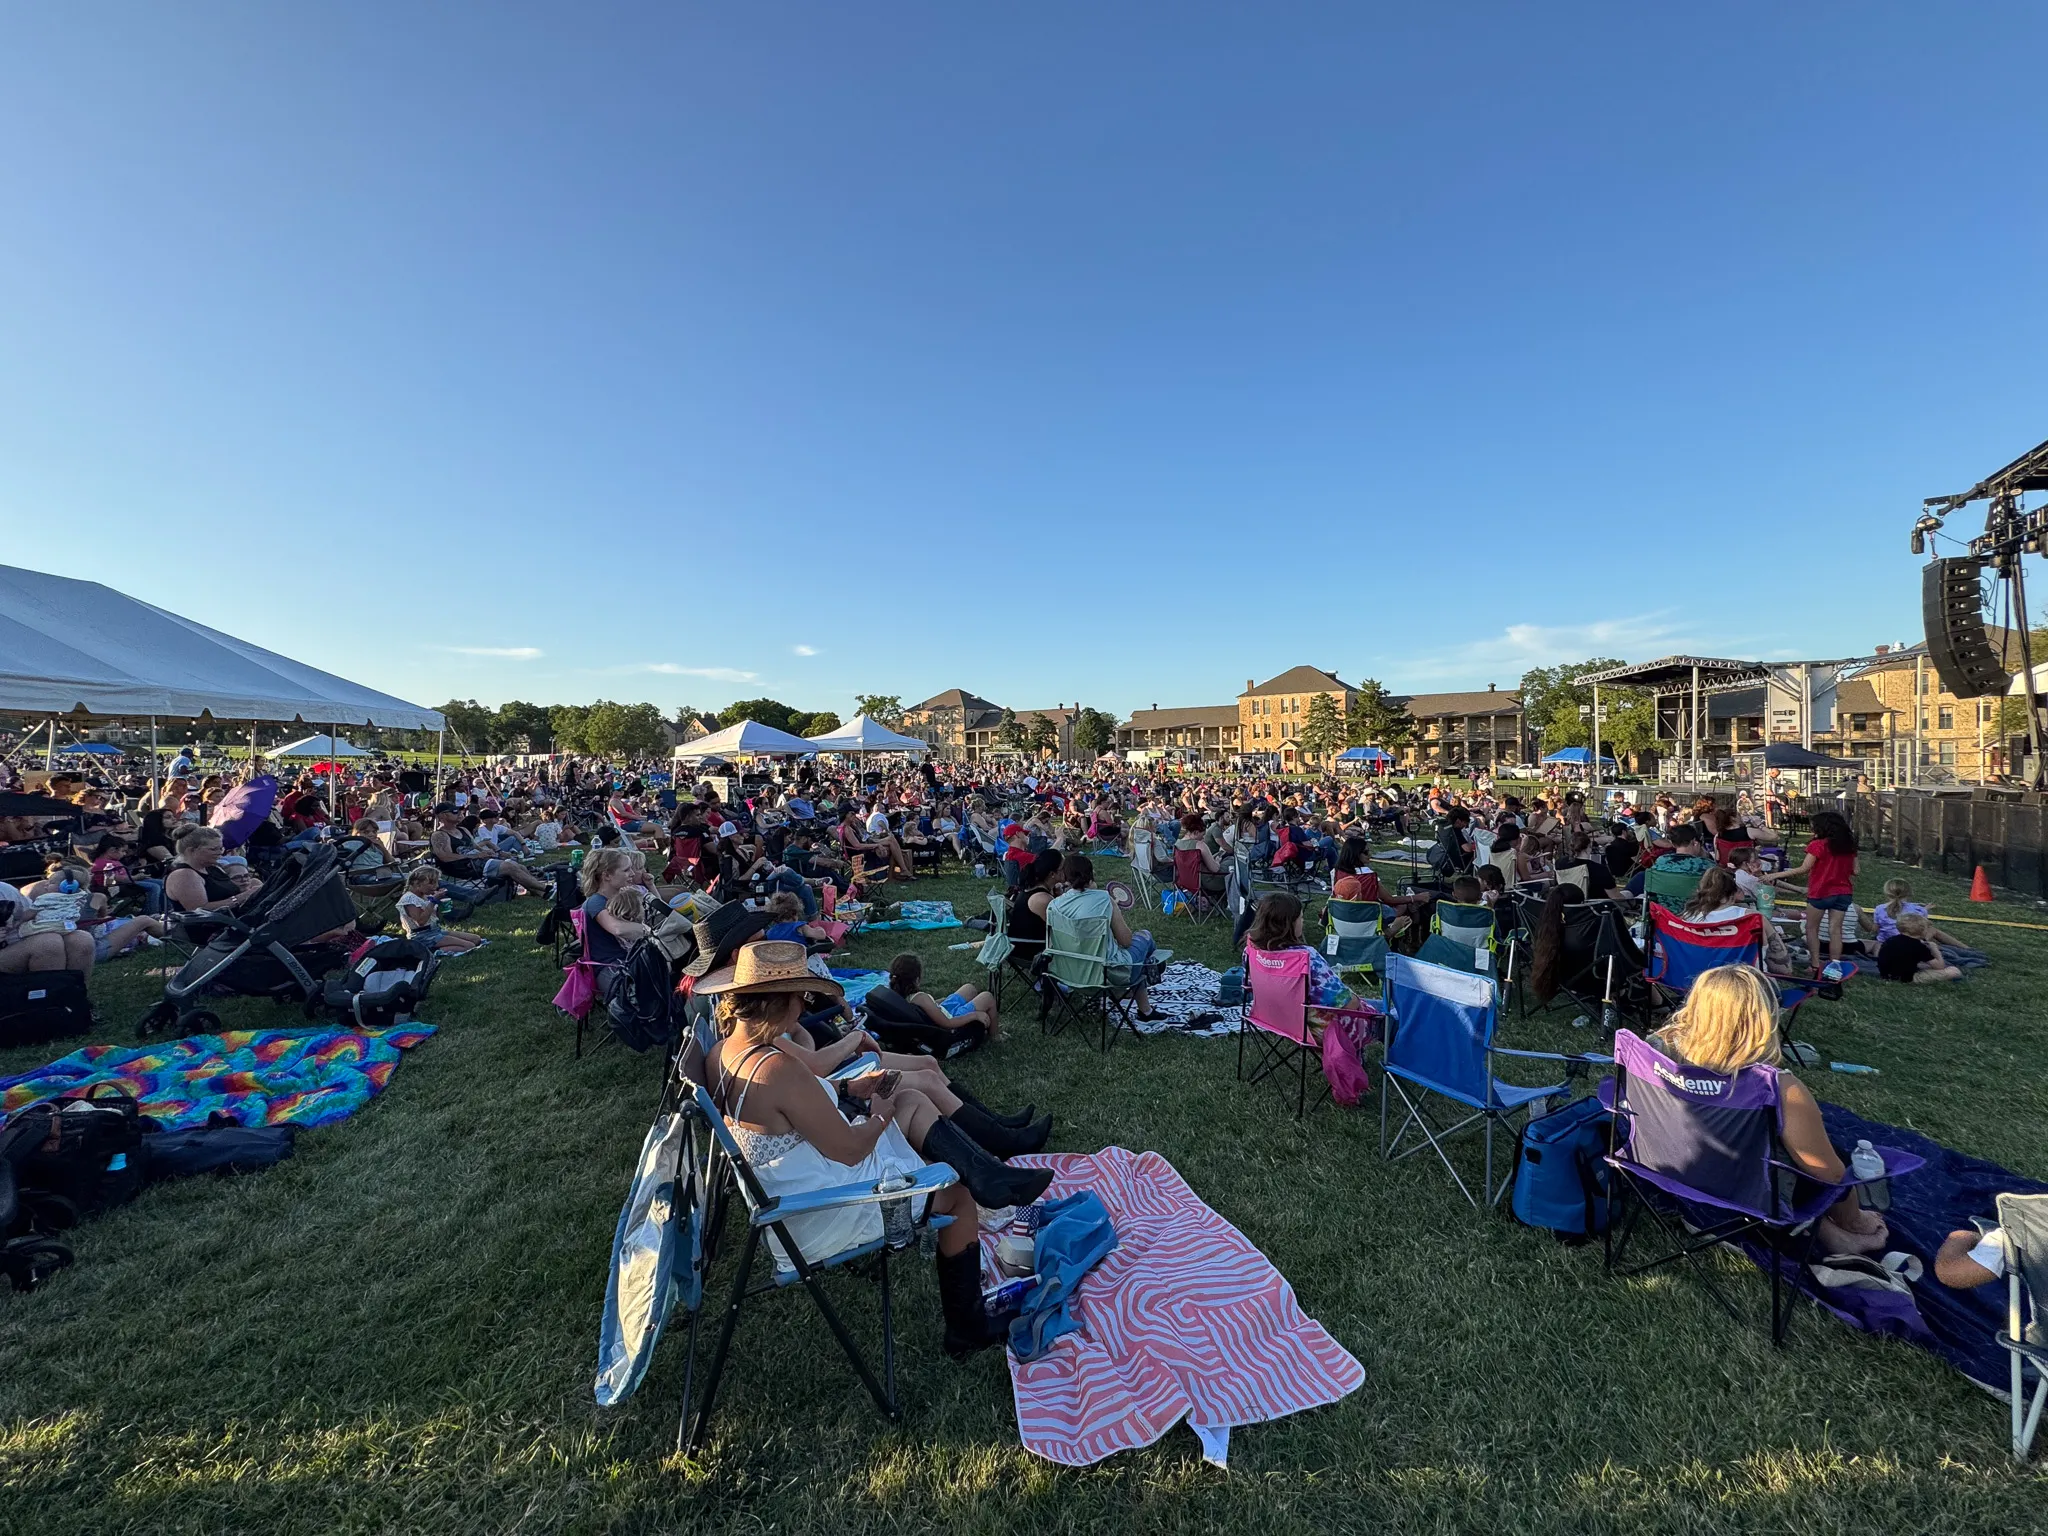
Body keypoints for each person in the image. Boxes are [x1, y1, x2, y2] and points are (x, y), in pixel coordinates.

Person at [701, 940, 1052, 1354]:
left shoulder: (726, 1052)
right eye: (801, 996)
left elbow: (785, 1108)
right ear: (781, 1002)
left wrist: (849, 1087)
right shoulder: (777, 1067)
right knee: (956, 1196)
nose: (804, 1005)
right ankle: (967, 1327)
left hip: (793, 1186)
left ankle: (988, 1173)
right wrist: (879, 1113)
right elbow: (850, 1150)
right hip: (819, 1212)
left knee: (912, 1098)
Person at [1651, 965, 1888, 1254]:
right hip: (1749, 1193)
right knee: (1827, 1157)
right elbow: (1830, 1175)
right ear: (1764, 1019)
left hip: (1672, 1169)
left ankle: (1826, 1231)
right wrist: (1856, 1215)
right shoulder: (1778, 1088)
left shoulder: (1656, 1055)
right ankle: (1852, 1226)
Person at [1046, 854, 1160, 1019]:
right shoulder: (1104, 899)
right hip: (1106, 974)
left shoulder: (1054, 906)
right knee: (1145, 937)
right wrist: (1115, 908)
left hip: (1068, 974)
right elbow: (1126, 941)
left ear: (1065, 876)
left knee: (1136, 957)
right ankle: (1150, 973)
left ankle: (1145, 1006)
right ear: (1090, 875)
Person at [1763, 809, 1859, 980]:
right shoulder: (1849, 845)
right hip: (1844, 892)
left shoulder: (1818, 845)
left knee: (1811, 928)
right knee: (1835, 930)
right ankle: (1834, 965)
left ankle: (1815, 965)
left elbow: (1803, 868)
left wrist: (1774, 875)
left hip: (1821, 892)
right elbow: (1856, 871)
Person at [1242, 892, 1351, 1012]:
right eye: (1301, 917)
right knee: (1374, 1009)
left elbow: (1248, 987)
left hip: (1273, 1016)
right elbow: (1344, 1002)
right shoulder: (1307, 957)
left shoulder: (1251, 951)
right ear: (1290, 923)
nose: (1303, 922)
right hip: (1321, 1026)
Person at [163, 824, 265, 945]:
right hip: (211, 932)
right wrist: (243, 897)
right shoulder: (184, 875)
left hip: (234, 921)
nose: (219, 853)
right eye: (213, 849)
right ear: (191, 850)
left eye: (221, 848)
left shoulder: (212, 868)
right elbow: (199, 911)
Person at [428, 804, 551, 895]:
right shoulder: (439, 835)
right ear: (443, 815)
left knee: (517, 865)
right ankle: (547, 889)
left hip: (478, 861)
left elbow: (476, 847)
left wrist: (490, 851)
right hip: (464, 867)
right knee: (510, 867)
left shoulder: (463, 830)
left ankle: (538, 892)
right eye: (455, 812)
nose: (460, 814)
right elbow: (445, 857)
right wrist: (475, 856)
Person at [884, 952, 1000, 1037]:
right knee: (987, 997)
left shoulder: (898, 995)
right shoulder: (921, 998)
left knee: (969, 988)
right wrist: (974, 1015)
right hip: (952, 1019)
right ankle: (994, 1035)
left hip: (941, 1011)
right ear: (917, 979)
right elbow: (947, 1023)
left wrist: (936, 1003)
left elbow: (926, 1010)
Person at [579, 847, 651, 967]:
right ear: (607, 876)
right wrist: (650, 931)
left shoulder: (620, 897)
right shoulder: (595, 901)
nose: (632, 873)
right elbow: (617, 928)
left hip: (628, 960)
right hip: (612, 968)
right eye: (626, 870)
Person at [397, 865, 483, 954]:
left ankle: (442, 946)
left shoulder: (425, 895)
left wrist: (440, 904)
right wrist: (433, 901)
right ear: (417, 884)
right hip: (422, 936)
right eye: (432, 883)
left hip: (435, 930)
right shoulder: (409, 899)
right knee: (469, 946)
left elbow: (433, 916)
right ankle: (432, 951)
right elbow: (420, 922)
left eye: (437, 883)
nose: (436, 886)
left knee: (476, 939)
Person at [1876, 912, 1962, 984]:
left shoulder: (1890, 940)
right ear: (1922, 930)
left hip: (1885, 974)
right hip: (1906, 978)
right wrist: (1935, 949)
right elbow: (1940, 966)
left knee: (1923, 965)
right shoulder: (1919, 947)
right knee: (1954, 971)